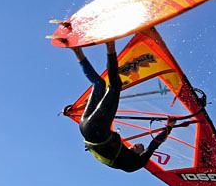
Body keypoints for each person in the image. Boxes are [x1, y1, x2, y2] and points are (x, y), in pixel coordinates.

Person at [73, 40, 175, 172]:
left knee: (115, 86)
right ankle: (77, 51)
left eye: (139, 148)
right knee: (99, 84)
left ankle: (110, 46)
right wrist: (168, 128)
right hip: (85, 128)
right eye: (138, 145)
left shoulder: (135, 164)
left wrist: (169, 128)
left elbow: (153, 146)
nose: (137, 145)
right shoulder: (122, 153)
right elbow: (150, 146)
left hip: (96, 130)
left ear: (140, 154)